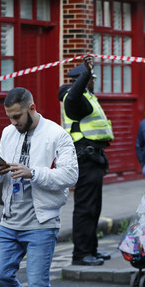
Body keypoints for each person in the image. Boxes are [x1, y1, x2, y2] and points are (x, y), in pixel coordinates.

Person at [0, 87, 78, 287]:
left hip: (41, 221)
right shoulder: (8, 132)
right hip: (10, 220)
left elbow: (70, 174)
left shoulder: (57, 135)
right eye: (10, 118)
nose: (13, 122)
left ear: (32, 107)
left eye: (17, 116)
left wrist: (33, 172)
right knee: (1, 276)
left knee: (38, 285)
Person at [59, 54, 113, 266]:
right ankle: (81, 254)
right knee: (85, 208)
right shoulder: (73, 98)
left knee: (94, 207)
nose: (94, 80)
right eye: (91, 77)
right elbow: (73, 96)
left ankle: (92, 250)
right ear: (83, 79)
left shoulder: (89, 96)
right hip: (84, 157)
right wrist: (86, 73)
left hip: (94, 156)